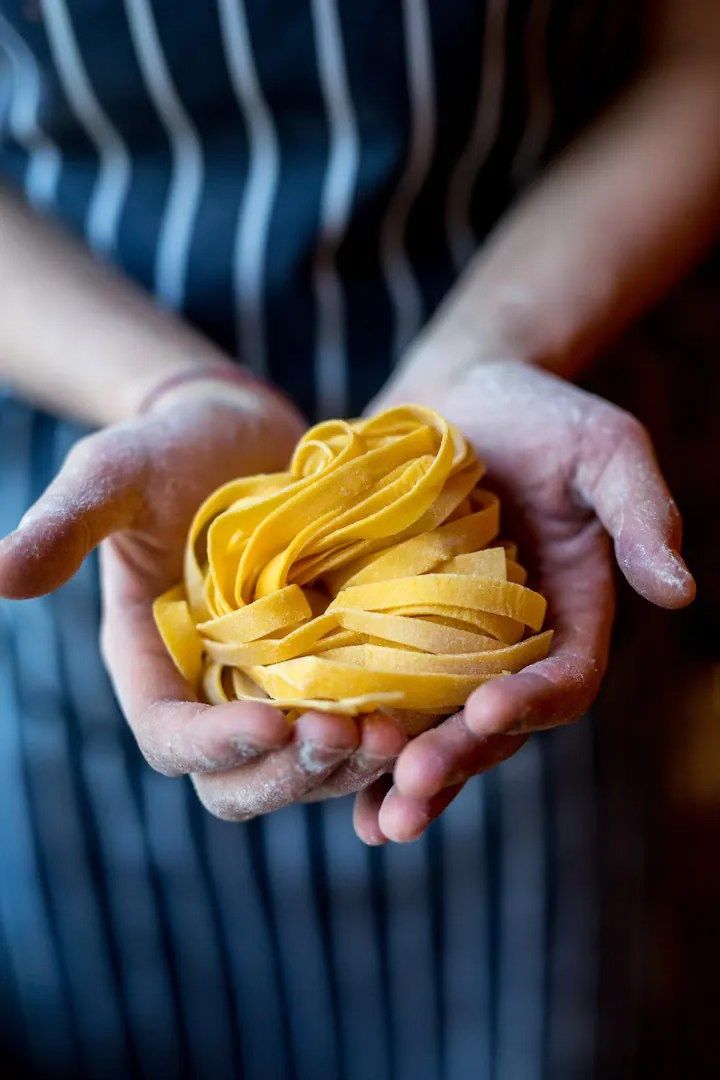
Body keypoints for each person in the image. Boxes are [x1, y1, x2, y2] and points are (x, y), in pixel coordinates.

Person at [0, 1, 717, 1076]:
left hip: (529, 482)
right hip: (126, 509)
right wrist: (161, 384)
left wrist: (502, 337)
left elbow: (699, 54)